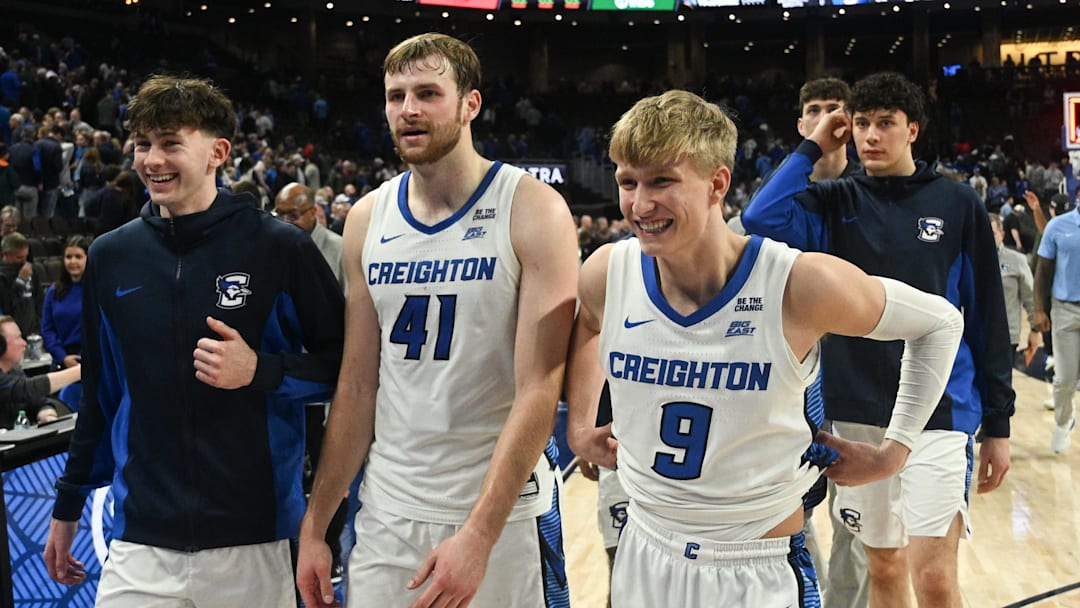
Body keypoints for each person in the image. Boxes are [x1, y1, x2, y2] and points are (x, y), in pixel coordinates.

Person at [565, 89, 963, 608]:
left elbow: (938, 322)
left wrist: (896, 450)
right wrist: (578, 427)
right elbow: (589, 324)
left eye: (662, 181)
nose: (640, 205)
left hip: (754, 566)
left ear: (717, 183)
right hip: (644, 547)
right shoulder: (607, 271)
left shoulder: (795, 283)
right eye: (627, 182)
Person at [296, 33, 578, 608]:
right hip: (387, 510)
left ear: (469, 104)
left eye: (427, 93)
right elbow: (356, 385)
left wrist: (478, 533)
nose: (409, 110)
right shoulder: (368, 218)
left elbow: (540, 386)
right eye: (396, 96)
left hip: (499, 515)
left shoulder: (532, 208)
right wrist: (318, 522)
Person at [42, 74, 346, 607]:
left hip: (253, 540)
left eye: (170, 143)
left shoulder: (280, 249)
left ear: (217, 152)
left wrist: (262, 371)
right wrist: (67, 506)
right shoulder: (112, 256)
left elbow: (346, 370)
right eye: (142, 144)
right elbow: (101, 394)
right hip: (140, 540)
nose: (152, 160)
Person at [743, 72, 1014, 608]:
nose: (870, 136)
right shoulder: (832, 199)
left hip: (940, 412)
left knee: (933, 579)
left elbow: (987, 315)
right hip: (858, 413)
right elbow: (760, 216)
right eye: (861, 124)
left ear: (912, 130)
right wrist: (815, 143)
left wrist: (998, 426)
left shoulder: (957, 203)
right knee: (884, 567)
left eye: (885, 124)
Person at [793, 76, 868, 608]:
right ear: (802, 124)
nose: (823, 118)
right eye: (813, 110)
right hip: (792, 382)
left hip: (859, 378)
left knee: (856, 526)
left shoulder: (873, 196)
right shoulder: (782, 197)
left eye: (834, 111)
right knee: (791, 514)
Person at [1034, 188, 1080, 454]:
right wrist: (1039, 309)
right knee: (1064, 378)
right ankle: (1063, 423)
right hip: (1065, 310)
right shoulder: (1058, 226)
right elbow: (1042, 270)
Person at [0, 314, 81, 428]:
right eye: (17, 337)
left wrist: (46, 413)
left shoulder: (14, 372)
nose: (24, 343)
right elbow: (27, 389)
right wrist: (79, 371)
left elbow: (37, 400)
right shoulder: (9, 383)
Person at [275, 182, 345, 287]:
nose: (285, 221)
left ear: (312, 213)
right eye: (279, 215)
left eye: (293, 215)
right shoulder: (272, 245)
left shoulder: (340, 248)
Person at [989, 213, 1039, 354]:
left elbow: (1031, 298)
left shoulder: (1017, 260)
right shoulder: (968, 261)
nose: (986, 238)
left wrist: (1035, 329)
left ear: (1002, 235)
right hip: (973, 335)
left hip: (1007, 336)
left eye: (992, 233)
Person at [41, 235, 92, 368]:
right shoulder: (54, 290)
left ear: (88, 258)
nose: (72, 261)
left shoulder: (96, 290)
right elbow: (47, 329)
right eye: (68, 257)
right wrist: (62, 357)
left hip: (90, 359)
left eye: (78, 256)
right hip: (61, 360)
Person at [0, 231, 43, 335]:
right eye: (19, 257)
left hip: (35, 333)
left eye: (26, 257)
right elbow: (8, 307)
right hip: (11, 335)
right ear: (5, 254)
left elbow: (39, 302)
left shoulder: (32, 271)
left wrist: (38, 328)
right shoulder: (1, 278)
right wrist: (20, 283)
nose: (24, 261)